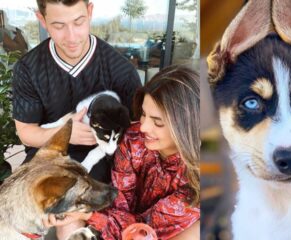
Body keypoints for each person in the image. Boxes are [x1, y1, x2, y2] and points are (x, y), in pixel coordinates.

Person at [44, 65, 200, 240]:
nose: (143, 126)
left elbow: (145, 229)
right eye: (143, 114)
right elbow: (119, 202)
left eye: (158, 122)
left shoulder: (198, 178)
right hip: (119, 222)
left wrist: (87, 215)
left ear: (187, 127)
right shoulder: (134, 137)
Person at [12, 0, 141, 183]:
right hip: (48, 154)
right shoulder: (28, 69)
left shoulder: (121, 71)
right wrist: (63, 133)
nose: (71, 37)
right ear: (42, 19)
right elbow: (26, 132)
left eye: (78, 22)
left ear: (89, 12)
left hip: (103, 157)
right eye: (58, 26)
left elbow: (136, 133)